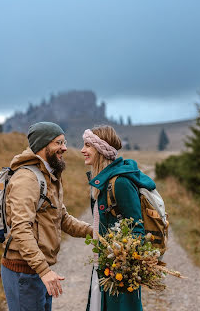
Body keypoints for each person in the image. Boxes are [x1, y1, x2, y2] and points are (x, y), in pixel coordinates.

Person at [1, 121, 93, 311]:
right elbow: (20, 228)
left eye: (64, 142)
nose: (64, 148)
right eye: (58, 143)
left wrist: (92, 231)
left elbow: (62, 218)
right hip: (24, 272)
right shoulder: (27, 179)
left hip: (36, 270)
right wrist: (43, 270)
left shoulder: (48, 176)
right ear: (44, 145)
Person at [81, 125, 156, 311]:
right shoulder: (101, 182)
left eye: (87, 145)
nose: (83, 150)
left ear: (100, 149)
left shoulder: (120, 182)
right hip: (104, 268)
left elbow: (138, 229)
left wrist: (122, 267)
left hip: (119, 274)